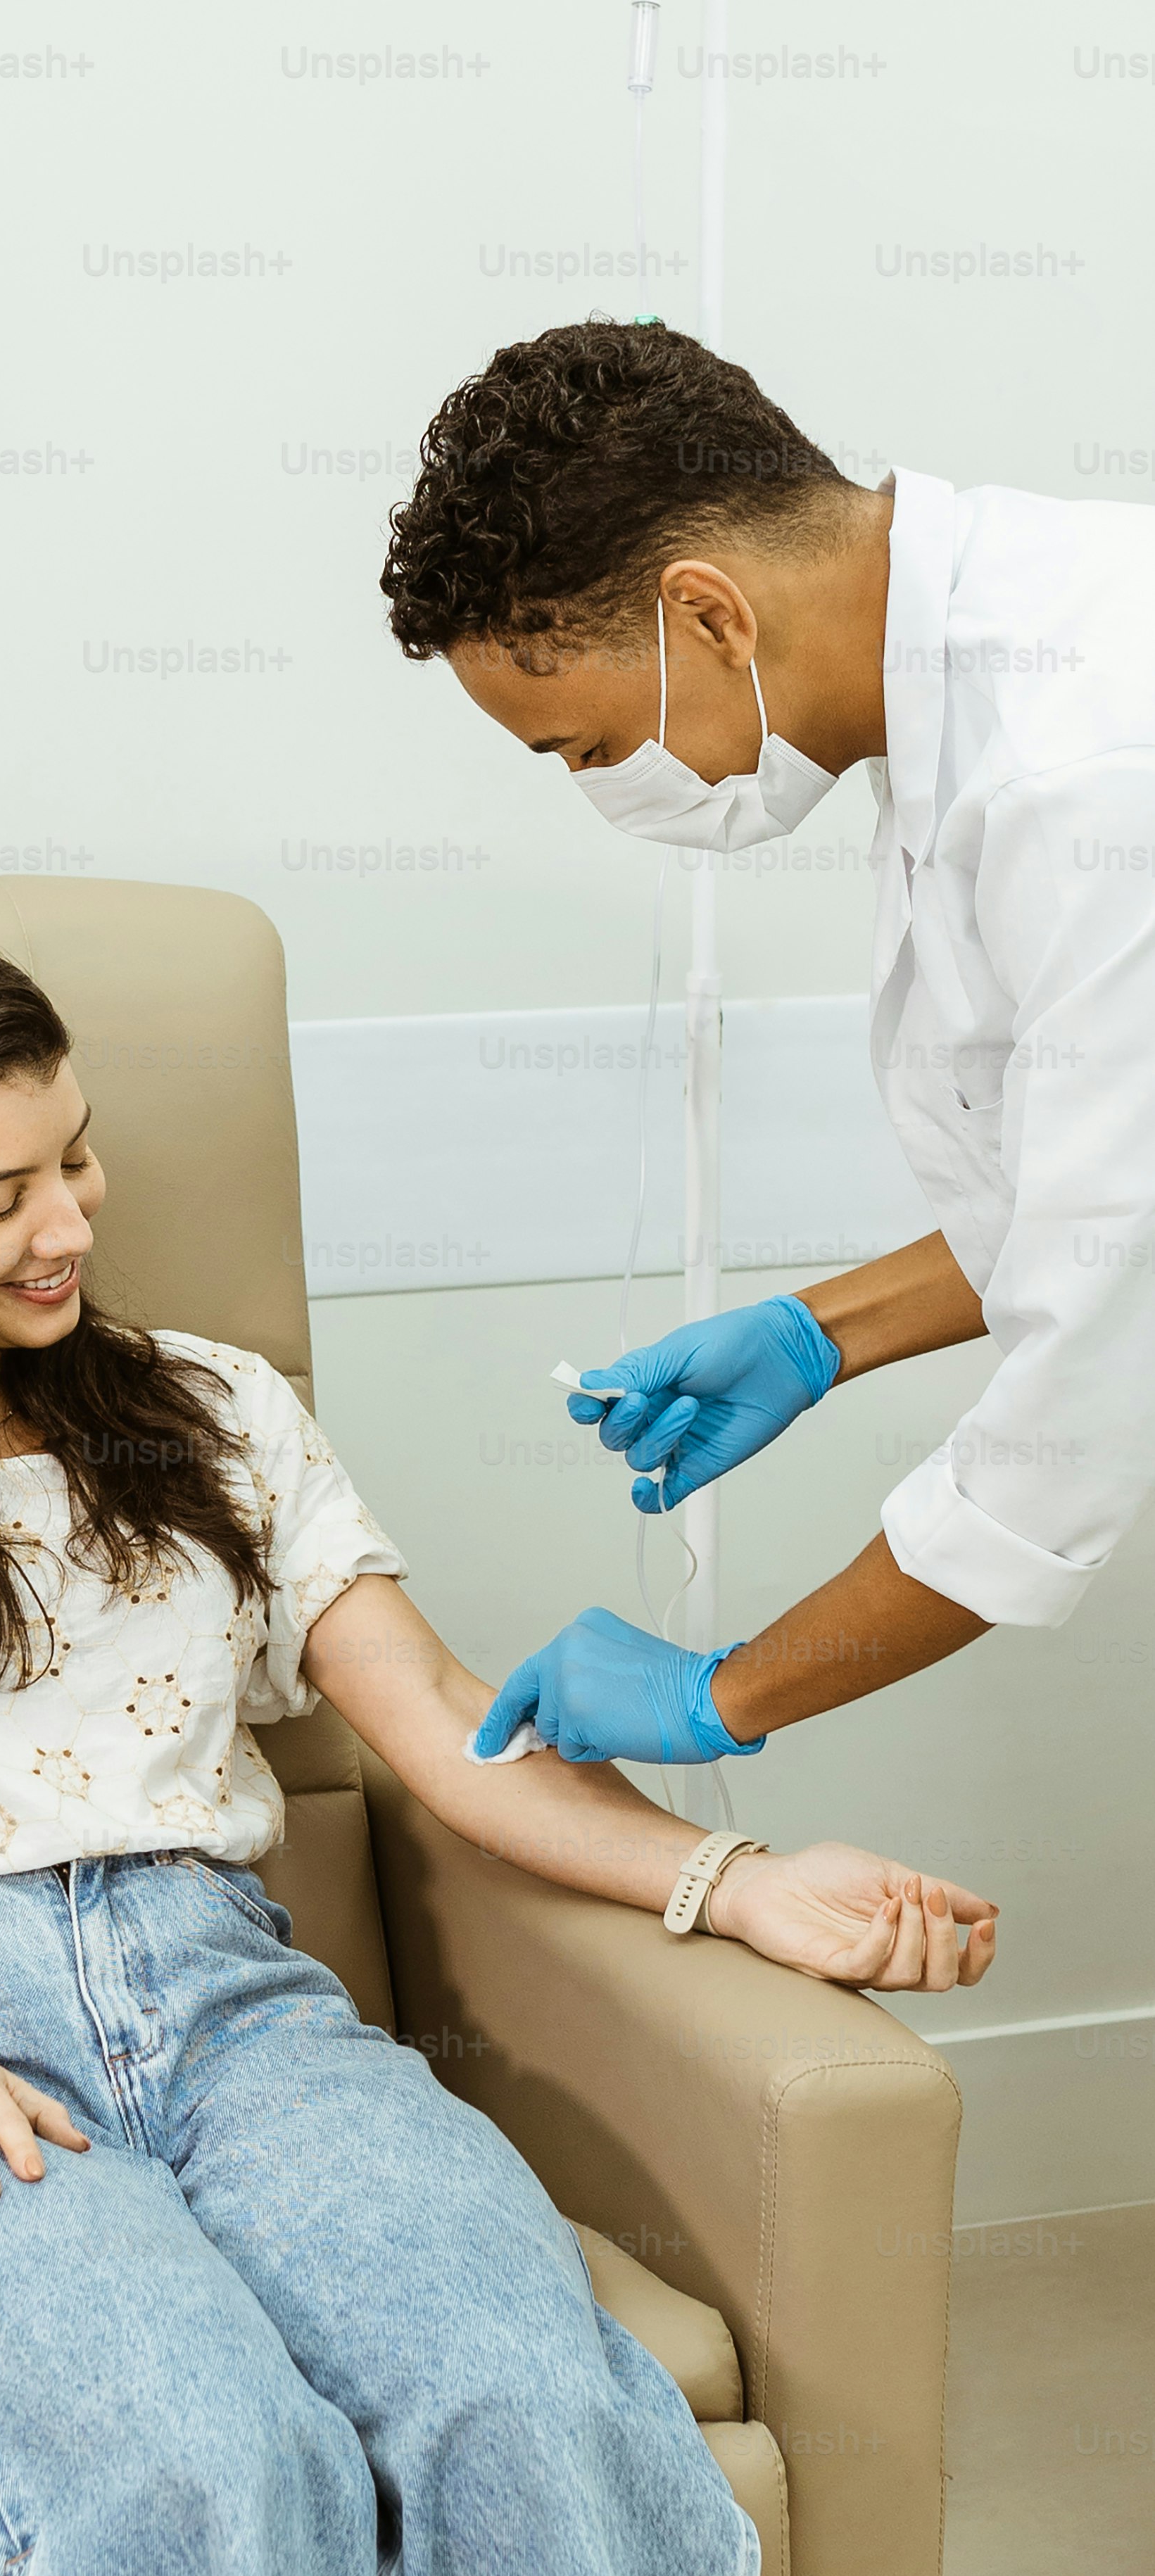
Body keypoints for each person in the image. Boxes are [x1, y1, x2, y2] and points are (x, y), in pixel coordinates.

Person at [0, 924, 994, 2576]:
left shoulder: (207, 1411)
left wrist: (741, 1883)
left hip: (241, 2015)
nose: (72, 1222)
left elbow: (430, 1714)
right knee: (199, 2459)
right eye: (0, 1196)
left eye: (80, 1154)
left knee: (526, 2399)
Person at [381, 315, 1155, 1772]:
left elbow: (1090, 1393)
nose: (601, 792)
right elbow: (1094, 1202)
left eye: (587, 748)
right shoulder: (983, 677)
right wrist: (819, 1335)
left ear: (707, 616)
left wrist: (719, 1696)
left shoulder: (1086, 769)